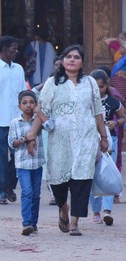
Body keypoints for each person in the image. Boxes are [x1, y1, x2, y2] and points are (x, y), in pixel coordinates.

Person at [25, 45, 109, 236]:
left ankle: (75, 223)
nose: (72, 60)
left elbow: (97, 112)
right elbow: (42, 111)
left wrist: (103, 137)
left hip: (85, 138)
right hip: (59, 139)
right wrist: (31, 135)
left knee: (82, 181)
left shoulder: (90, 83)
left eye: (76, 57)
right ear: (62, 61)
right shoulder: (52, 83)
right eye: (68, 57)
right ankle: (63, 208)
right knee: (57, 181)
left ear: (82, 62)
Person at [0, 35, 25, 205]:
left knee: (18, 156)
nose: (16, 51)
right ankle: (1, 192)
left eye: (17, 48)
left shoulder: (19, 69)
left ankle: (9, 185)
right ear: (4, 49)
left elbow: (24, 93)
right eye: (13, 48)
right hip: (0, 120)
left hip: (17, 120)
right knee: (1, 157)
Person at [9, 90, 54, 236]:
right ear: (19, 106)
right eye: (24, 103)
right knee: (27, 192)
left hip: (37, 163)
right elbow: (12, 143)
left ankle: (34, 223)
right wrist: (25, 139)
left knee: (36, 194)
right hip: (23, 164)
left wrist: (39, 112)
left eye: (31, 102)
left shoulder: (38, 120)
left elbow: (50, 126)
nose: (28, 106)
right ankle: (26, 223)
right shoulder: (15, 123)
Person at [88, 69, 125, 225]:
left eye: (101, 87)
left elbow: (123, 117)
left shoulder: (112, 101)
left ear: (106, 86)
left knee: (108, 172)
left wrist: (115, 122)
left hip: (111, 140)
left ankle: (107, 211)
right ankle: (96, 210)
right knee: (91, 175)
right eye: (95, 87)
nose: (98, 90)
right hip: (90, 141)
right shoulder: (86, 102)